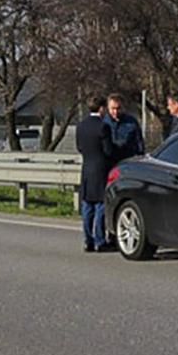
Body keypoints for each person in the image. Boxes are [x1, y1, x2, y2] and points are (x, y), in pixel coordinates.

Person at [75, 95, 113, 252]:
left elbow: (79, 147)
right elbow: (108, 150)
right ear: (102, 108)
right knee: (100, 205)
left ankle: (88, 239)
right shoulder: (103, 127)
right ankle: (99, 239)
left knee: (87, 205)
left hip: (86, 168)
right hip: (100, 169)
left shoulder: (81, 126)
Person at [105, 93, 145, 165]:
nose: (115, 112)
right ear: (108, 107)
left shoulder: (132, 122)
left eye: (118, 108)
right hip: (108, 163)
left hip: (127, 162)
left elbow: (139, 144)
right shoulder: (104, 123)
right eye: (113, 108)